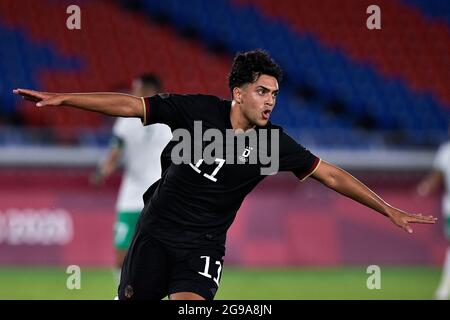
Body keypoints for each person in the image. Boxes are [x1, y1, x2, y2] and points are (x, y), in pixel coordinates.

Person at [14, 49, 437, 300]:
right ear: (238, 93)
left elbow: (330, 175)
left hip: (203, 246)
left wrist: (388, 209)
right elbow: (131, 106)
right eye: (261, 91)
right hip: (155, 232)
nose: (270, 100)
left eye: (274, 93)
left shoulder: (272, 143)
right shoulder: (196, 110)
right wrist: (63, 98)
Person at [90, 74, 172, 282]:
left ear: (149, 91)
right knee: (121, 256)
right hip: (132, 195)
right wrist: (104, 170)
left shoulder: (171, 117)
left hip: (159, 195)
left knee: (159, 254)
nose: (132, 93)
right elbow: (115, 151)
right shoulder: (125, 119)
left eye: (136, 89)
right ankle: (123, 295)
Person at [417, 130, 450, 300]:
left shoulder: (445, 151)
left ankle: (444, 290)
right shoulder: (445, 151)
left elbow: (435, 178)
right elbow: (436, 177)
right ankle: (444, 289)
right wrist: (425, 188)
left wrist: (425, 187)